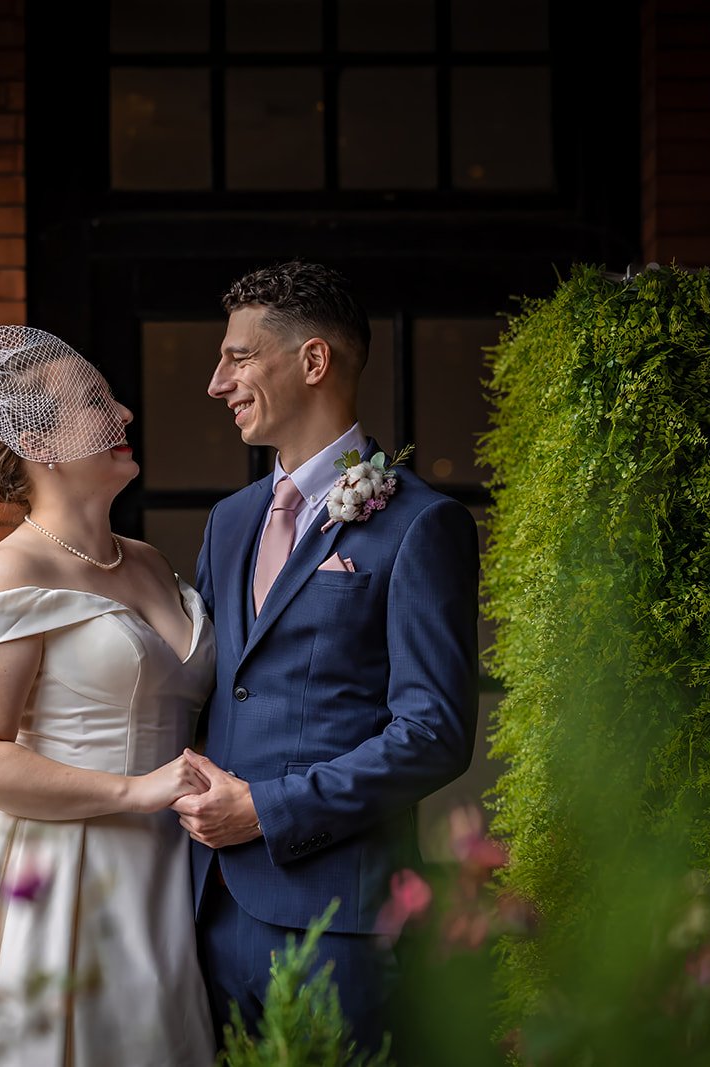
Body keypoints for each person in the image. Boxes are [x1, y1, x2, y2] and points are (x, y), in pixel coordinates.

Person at [0, 327, 216, 1066]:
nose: (125, 412)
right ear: (39, 440)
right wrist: (134, 790)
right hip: (63, 873)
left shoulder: (153, 562)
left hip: (178, 869)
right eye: (97, 403)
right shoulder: (8, 573)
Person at [176, 262, 480, 1050]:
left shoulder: (420, 524)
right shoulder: (230, 521)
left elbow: (433, 733)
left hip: (334, 921)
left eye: (239, 357)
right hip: (206, 911)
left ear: (313, 362)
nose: (218, 382)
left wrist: (268, 810)